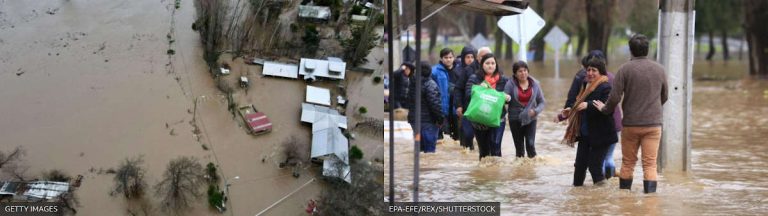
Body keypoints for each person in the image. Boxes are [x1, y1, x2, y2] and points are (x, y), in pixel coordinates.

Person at [593, 34, 668, 193]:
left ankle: (624, 200)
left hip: (631, 125)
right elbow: (665, 96)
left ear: (630, 50)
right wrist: (653, 109)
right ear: (647, 50)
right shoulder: (660, 70)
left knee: (628, 163)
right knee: (650, 164)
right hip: (653, 125)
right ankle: (650, 203)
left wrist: (604, 109)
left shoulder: (624, 69)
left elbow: (614, 98)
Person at [559, 50, 623, 179]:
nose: (590, 73)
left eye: (594, 70)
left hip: (601, 134)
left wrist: (588, 105)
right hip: (585, 133)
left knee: (595, 167)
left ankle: (601, 195)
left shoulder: (606, 87)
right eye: (588, 70)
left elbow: (606, 105)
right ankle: (578, 193)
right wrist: (568, 111)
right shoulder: (584, 85)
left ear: (600, 72)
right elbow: (575, 101)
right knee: (579, 166)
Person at [465, 54, 511, 159]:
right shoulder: (474, 78)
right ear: (482, 65)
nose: (490, 66)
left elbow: (511, 96)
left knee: (495, 145)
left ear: (496, 65)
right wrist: (478, 89)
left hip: (498, 118)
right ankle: (483, 173)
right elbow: (468, 94)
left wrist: (508, 98)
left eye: (493, 63)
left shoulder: (503, 79)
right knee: (484, 150)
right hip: (479, 118)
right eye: (487, 63)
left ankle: (496, 172)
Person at [504, 61, 545, 158]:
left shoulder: (535, 84)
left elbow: (542, 102)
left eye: (525, 70)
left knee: (530, 145)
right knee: (519, 149)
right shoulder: (510, 84)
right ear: (515, 74)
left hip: (531, 118)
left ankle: (532, 169)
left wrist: (535, 111)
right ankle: (520, 171)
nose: (523, 73)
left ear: (528, 71)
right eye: (520, 71)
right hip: (515, 119)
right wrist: (506, 98)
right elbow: (504, 98)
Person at [455, 47, 491, 150]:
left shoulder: (495, 70)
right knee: (468, 135)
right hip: (469, 107)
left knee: (487, 139)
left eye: (488, 56)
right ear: (478, 58)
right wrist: (459, 106)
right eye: (483, 57)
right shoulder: (468, 70)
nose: (486, 59)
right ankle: (468, 153)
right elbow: (458, 88)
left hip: (487, 109)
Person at [406, 61, 444, 153]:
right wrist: (440, 119)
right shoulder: (430, 84)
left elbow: (407, 100)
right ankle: (428, 167)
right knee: (430, 150)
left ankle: (421, 166)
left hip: (415, 121)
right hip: (429, 122)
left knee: (419, 149)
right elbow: (434, 104)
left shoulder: (412, 83)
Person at [452, 46, 476, 149]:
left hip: (476, 105)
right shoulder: (457, 71)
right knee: (464, 132)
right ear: (463, 58)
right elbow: (457, 90)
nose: (470, 59)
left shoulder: (479, 70)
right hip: (463, 105)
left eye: (472, 57)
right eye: (467, 57)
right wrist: (459, 105)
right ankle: (465, 149)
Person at [431, 48, 456, 140]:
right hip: (441, 109)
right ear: (441, 58)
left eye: (450, 57)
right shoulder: (434, 71)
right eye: (446, 57)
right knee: (442, 138)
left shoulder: (459, 70)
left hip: (456, 109)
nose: (448, 59)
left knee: (456, 139)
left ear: (454, 58)